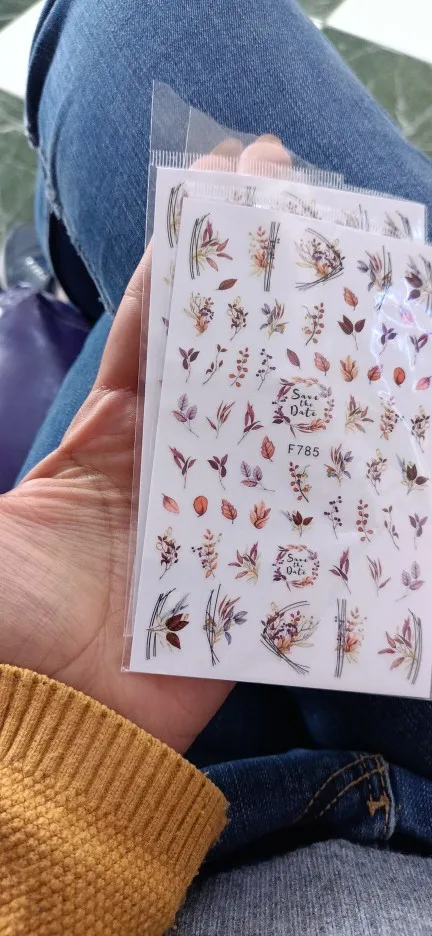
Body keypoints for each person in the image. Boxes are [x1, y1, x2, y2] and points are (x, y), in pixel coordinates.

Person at [1, 0, 432, 932]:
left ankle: (69, 272)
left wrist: (30, 771)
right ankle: (73, 271)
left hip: (121, 787)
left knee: (123, 25)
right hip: (171, 797)